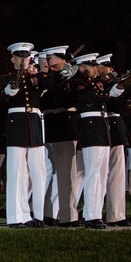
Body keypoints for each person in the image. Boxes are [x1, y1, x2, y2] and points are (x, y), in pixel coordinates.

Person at [0, 42, 53, 228]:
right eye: (19, 57)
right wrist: (5, 92)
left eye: (26, 57)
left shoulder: (36, 78)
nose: (23, 60)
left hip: (35, 124)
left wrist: (60, 73)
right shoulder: (7, 78)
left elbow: (52, 82)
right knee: (17, 173)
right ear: (13, 59)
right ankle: (16, 216)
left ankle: (37, 216)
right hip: (17, 124)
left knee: (39, 173)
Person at [70, 53, 124, 230]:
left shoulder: (93, 84)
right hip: (91, 129)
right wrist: (109, 93)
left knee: (101, 175)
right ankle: (90, 215)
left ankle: (96, 214)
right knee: (93, 174)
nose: (95, 70)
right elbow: (86, 98)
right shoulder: (79, 83)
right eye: (92, 67)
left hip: (101, 128)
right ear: (82, 68)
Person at [97, 54, 131, 227]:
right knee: (93, 175)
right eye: (107, 66)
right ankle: (90, 214)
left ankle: (117, 214)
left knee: (117, 175)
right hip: (101, 127)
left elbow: (120, 104)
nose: (111, 69)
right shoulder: (98, 85)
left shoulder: (111, 85)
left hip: (115, 127)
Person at [39, 46, 80, 226]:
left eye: (52, 58)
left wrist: (67, 79)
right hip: (52, 127)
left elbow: (72, 98)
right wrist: (60, 79)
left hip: (65, 125)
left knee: (66, 175)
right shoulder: (49, 78)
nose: (48, 62)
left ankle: (65, 215)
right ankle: (54, 214)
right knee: (55, 174)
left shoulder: (70, 78)